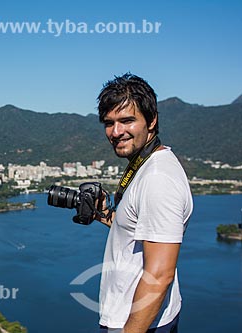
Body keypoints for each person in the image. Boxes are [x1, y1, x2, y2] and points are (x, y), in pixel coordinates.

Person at [95, 73, 193, 333]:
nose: (116, 132)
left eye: (127, 121)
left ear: (151, 121)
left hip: (139, 324)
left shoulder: (157, 178)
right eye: (109, 123)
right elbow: (140, 232)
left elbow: (160, 276)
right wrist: (106, 215)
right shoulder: (146, 167)